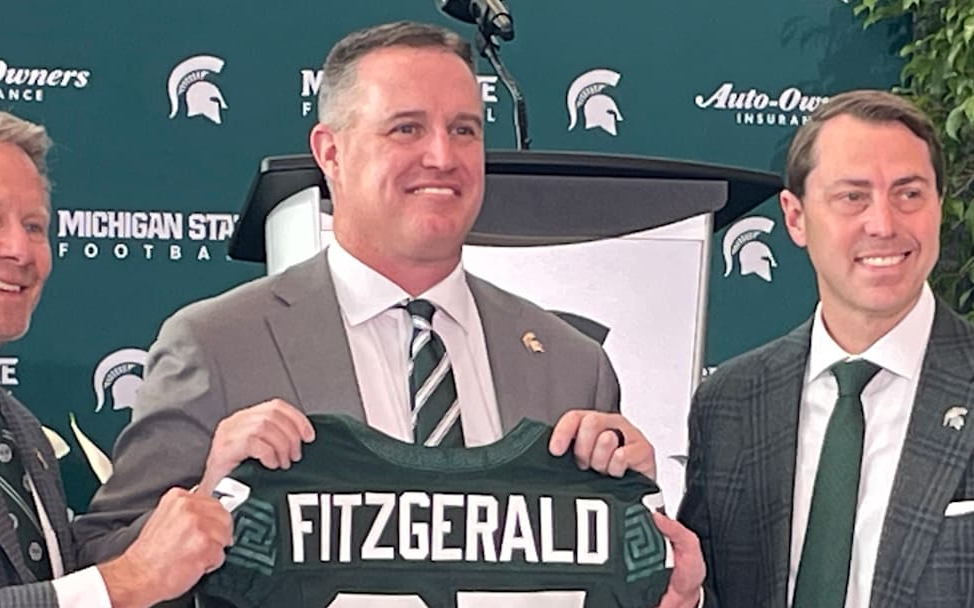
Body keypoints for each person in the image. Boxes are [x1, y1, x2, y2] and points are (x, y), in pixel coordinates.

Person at [74, 20, 704, 607]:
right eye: (406, 128)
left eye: (464, 130)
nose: (442, 156)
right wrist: (207, 497)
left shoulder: (572, 364)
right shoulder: (216, 344)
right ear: (331, 152)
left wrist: (660, 576)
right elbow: (105, 565)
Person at [0, 102, 233, 607]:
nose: (19, 249)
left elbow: (62, 586)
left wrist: (213, 492)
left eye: (34, 226)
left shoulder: (17, 427)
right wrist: (132, 579)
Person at [678, 89, 974, 607]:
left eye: (909, 194)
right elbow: (711, 590)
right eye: (852, 197)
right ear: (795, 218)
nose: (884, 224)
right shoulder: (729, 402)